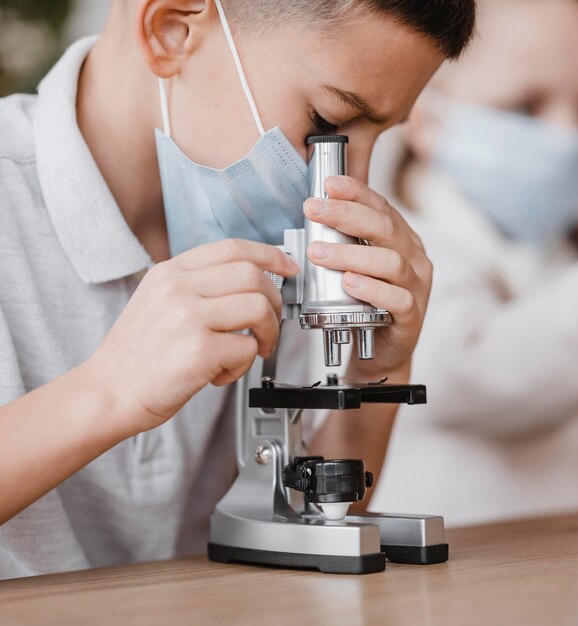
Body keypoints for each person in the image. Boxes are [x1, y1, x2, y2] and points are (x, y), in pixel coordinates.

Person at [0, 0, 476, 578]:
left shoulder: (280, 232)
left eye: (379, 136)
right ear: (171, 31)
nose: (353, 184)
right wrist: (109, 389)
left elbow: (320, 524)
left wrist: (376, 368)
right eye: (326, 126)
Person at [369, 0, 578, 527]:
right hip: (468, 582)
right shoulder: (401, 249)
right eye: (527, 106)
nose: (569, 136)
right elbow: (473, 378)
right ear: (425, 115)